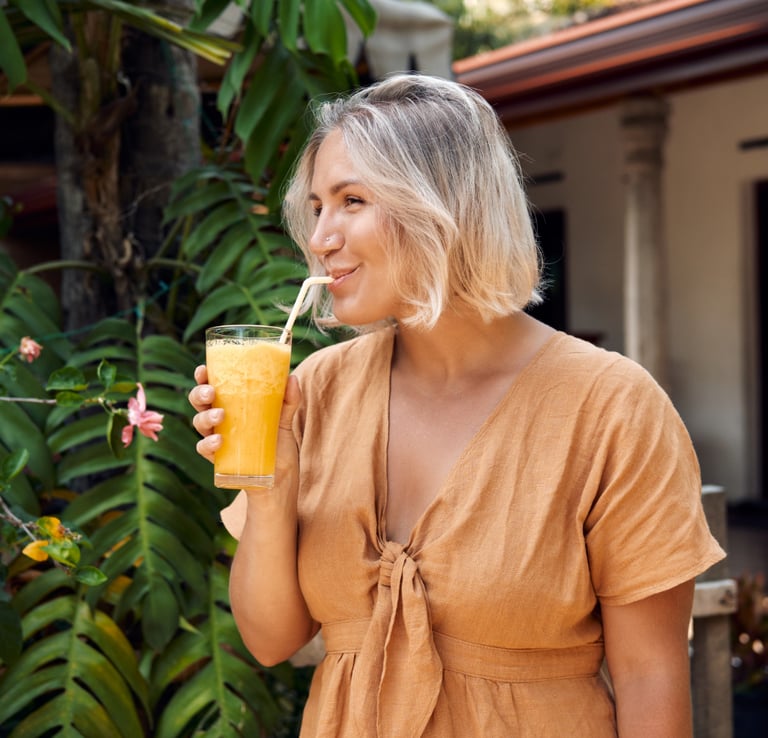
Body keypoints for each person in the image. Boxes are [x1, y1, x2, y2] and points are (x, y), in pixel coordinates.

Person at [189, 73, 725, 737]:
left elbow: (649, 677)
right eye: (318, 207)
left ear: (443, 202)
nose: (321, 237)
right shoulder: (316, 390)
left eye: (352, 200)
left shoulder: (611, 407)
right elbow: (270, 641)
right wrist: (270, 493)